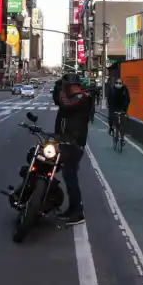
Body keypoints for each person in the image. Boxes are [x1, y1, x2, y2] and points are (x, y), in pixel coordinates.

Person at [53, 73, 92, 226]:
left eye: (74, 86)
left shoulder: (83, 98)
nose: (73, 88)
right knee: (66, 173)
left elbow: (66, 105)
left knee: (70, 174)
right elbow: (58, 101)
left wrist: (60, 89)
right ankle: (72, 208)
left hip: (75, 142)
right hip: (64, 140)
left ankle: (77, 211)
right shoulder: (66, 96)